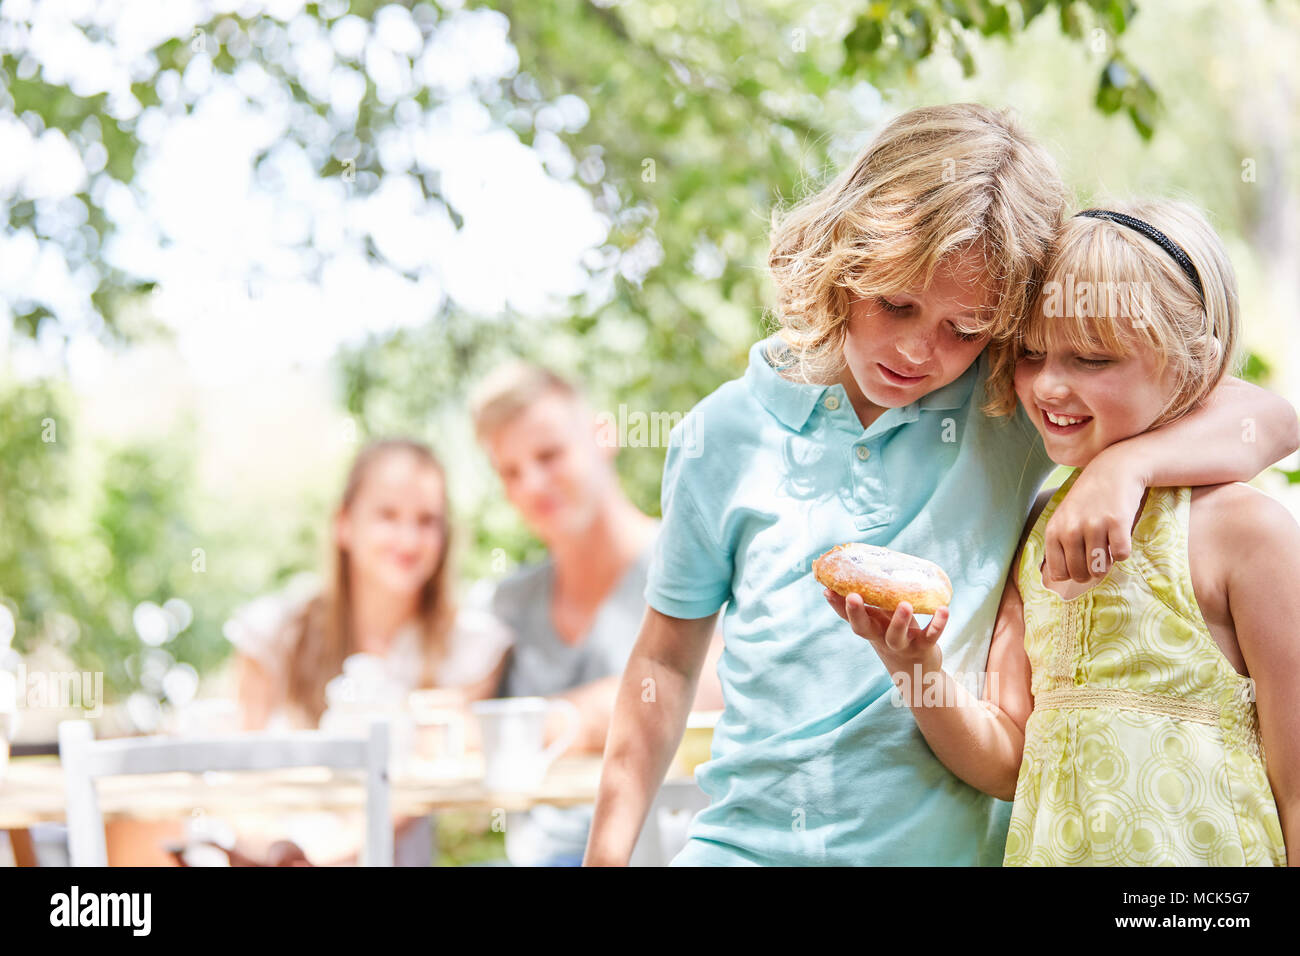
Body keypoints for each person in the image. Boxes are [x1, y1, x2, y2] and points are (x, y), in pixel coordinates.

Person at [583, 104, 1300, 866]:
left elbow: (1269, 417)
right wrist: (607, 855)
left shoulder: (1005, 401)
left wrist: (1129, 467)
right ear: (845, 254)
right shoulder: (723, 435)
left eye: (966, 328)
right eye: (896, 304)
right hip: (742, 847)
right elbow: (664, 661)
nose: (919, 352)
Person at [835, 199, 1297, 865]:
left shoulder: (1245, 533)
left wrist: (1126, 465)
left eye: (1094, 359)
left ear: (1193, 365)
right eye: (1029, 353)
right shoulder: (1037, 534)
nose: (1049, 385)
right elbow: (1007, 759)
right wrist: (915, 669)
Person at [468, 361, 724, 867]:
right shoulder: (508, 604)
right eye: (511, 472)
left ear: (602, 436)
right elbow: (452, 726)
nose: (533, 485)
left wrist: (544, 723)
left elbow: (705, 683)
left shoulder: (690, 561)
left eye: (549, 454)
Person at [221, 438, 512, 865]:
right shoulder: (275, 633)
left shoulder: (467, 647)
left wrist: (322, 856)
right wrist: (268, 848)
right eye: (387, 515)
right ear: (344, 524)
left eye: (427, 520)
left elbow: (412, 790)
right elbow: (234, 773)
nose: (408, 539)